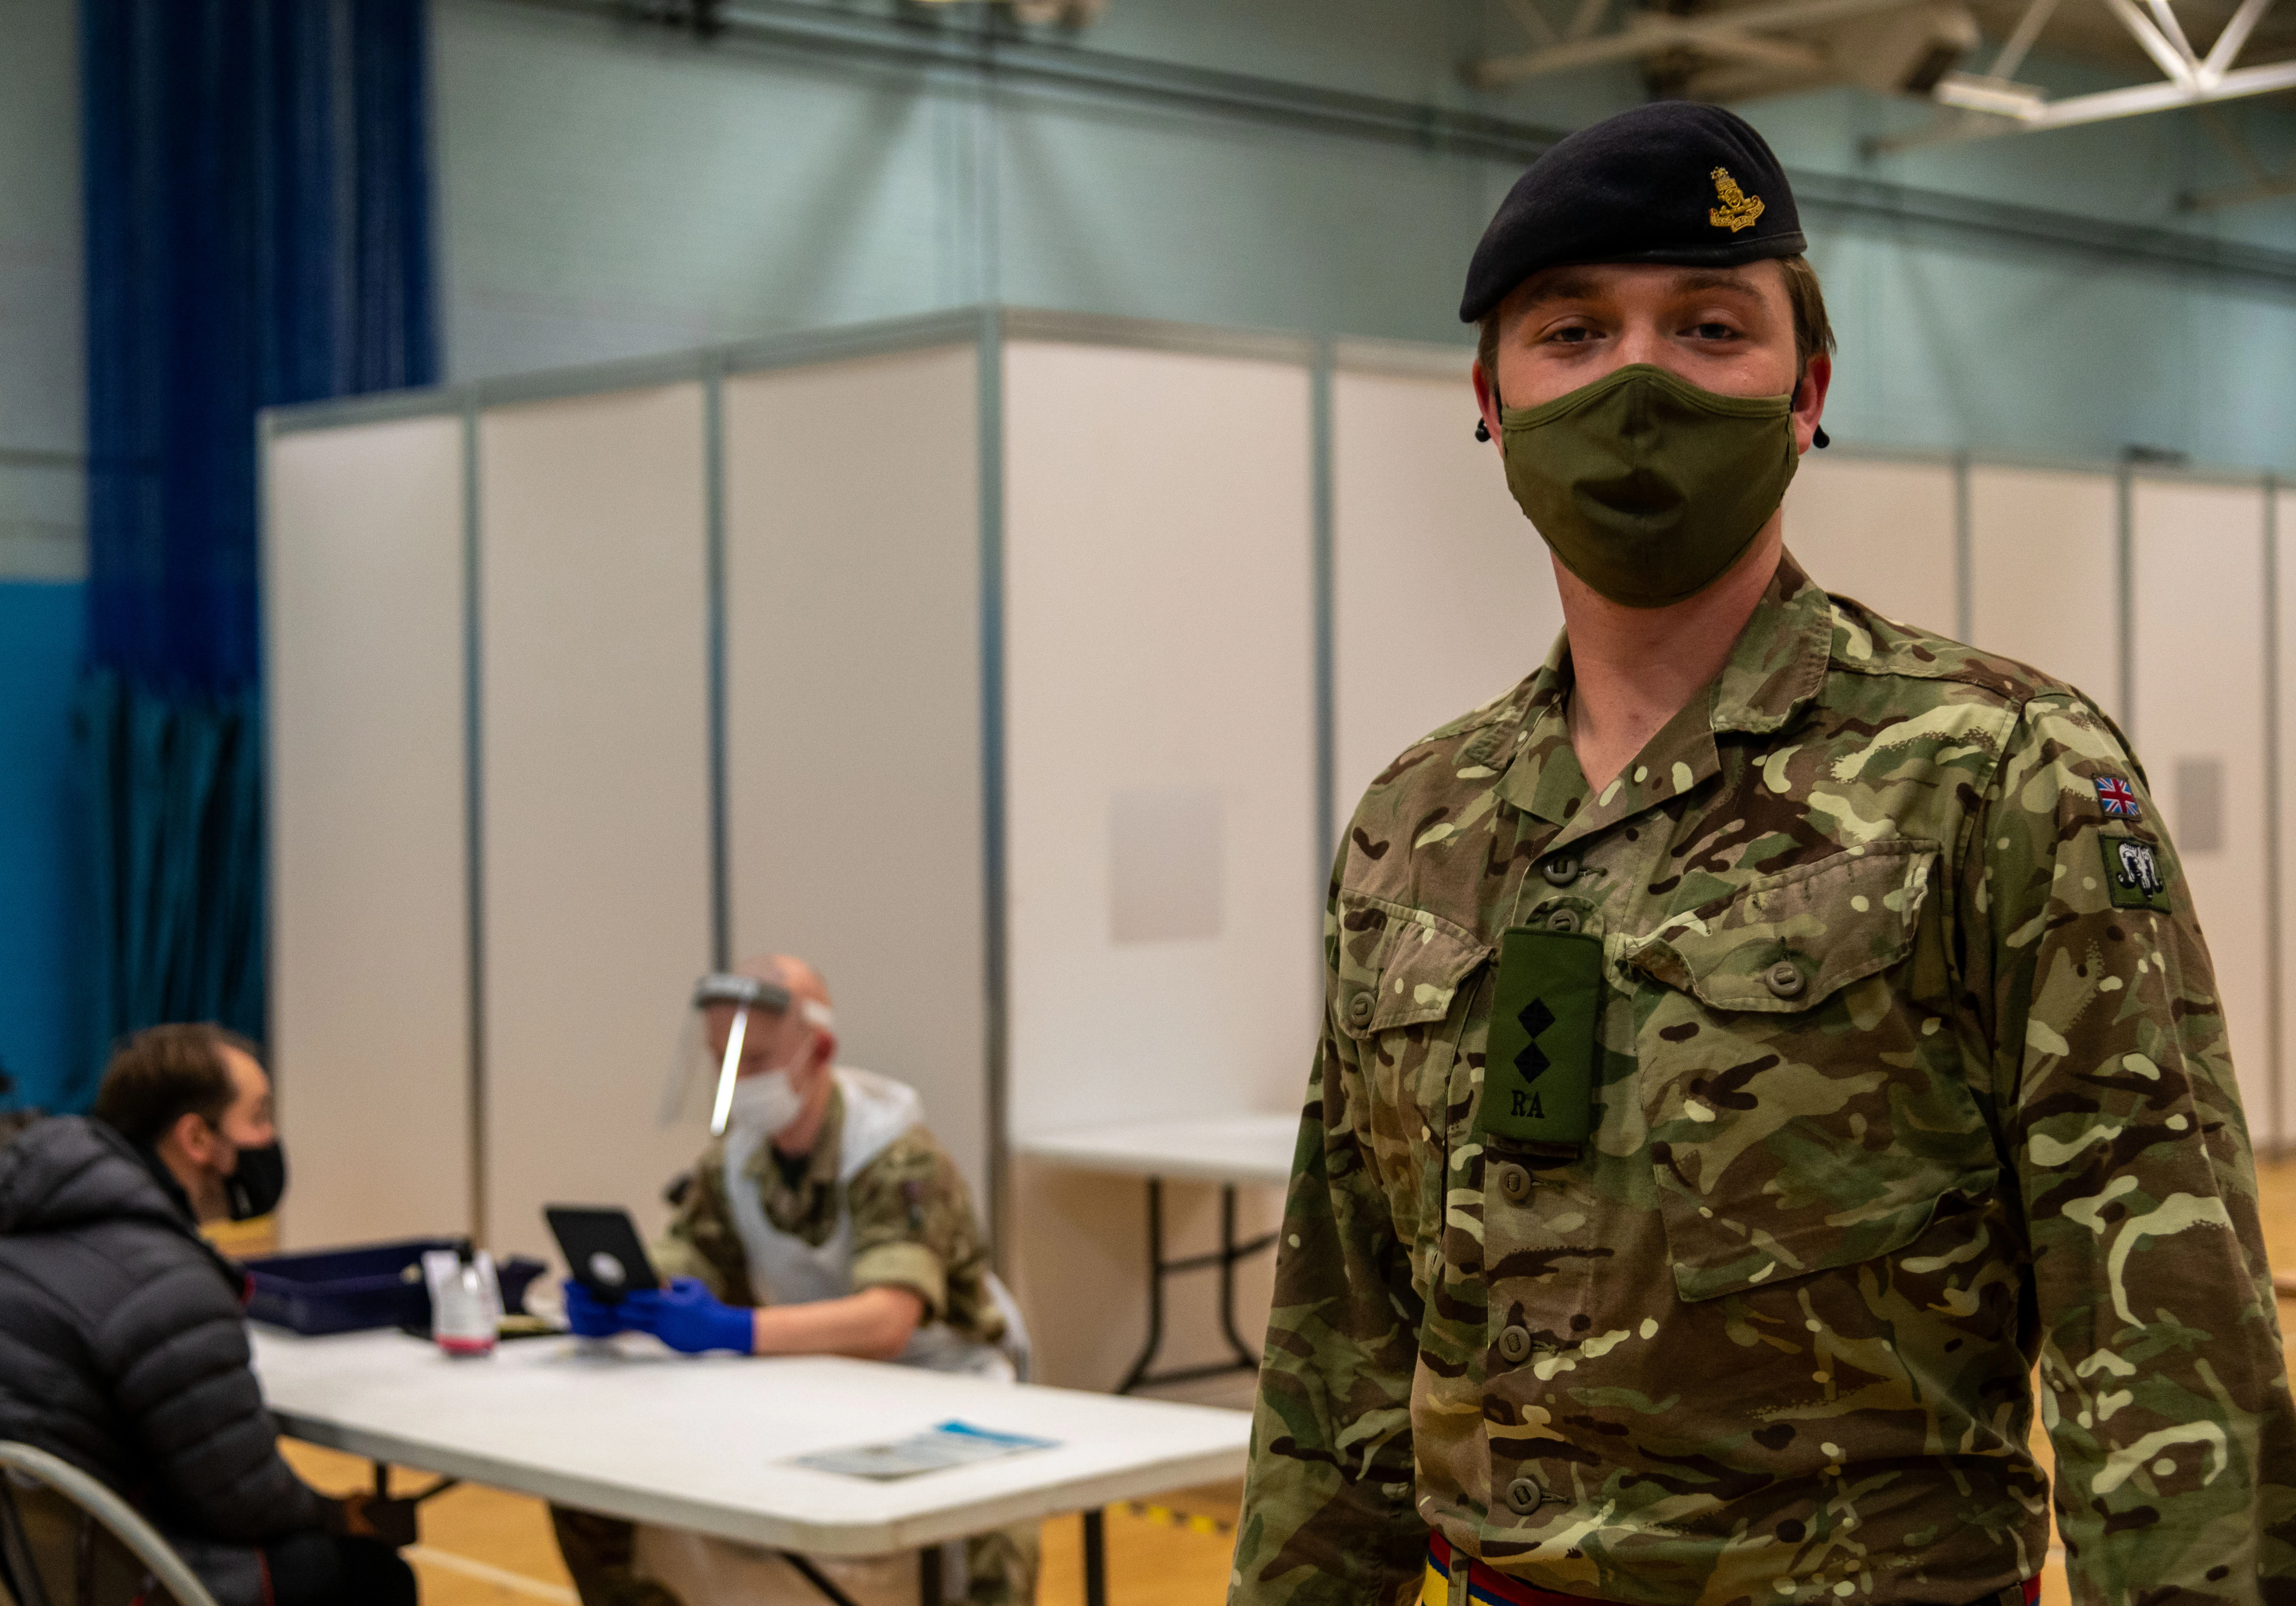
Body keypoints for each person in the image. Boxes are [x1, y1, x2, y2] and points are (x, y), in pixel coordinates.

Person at [1230, 102, 2296, 1606]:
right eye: (1572, 333)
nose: (1639, 381)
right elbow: (1338, 1341)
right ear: (1489, 395)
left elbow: (2165, 1341)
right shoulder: (1421, 824)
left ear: (1805, 389)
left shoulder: (1995, 774)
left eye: (1708, 327)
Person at [550, 953, 1036, 1606]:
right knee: (594, 1482)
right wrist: (629, 1293)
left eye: (753, 1063)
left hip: (945, 1385)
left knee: (991, 1557)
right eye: (719, 1062)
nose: (735, 1081)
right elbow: (692, 1252)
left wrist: (734, 1328)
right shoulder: (739, 1158)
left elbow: (887, 1322)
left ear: (821, 1049)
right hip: (822, 1379)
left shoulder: (896, 1156)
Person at [0, 1024, 419, 1606]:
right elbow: (243, 1501)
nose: (271, 1138)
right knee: (370, 1574)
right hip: (60, 1583)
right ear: (197, 1138)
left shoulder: (18, 1235)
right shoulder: (167, 1281)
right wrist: (341, 1515)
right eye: (259, 1117)